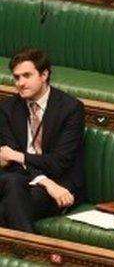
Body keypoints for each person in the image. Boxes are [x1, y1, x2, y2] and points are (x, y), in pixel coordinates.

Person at [0, 48, 85, 232]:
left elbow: (58, 163)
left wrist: (19, 156)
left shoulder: (70, 109)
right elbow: (9, 161)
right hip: (29, 181)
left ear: (44, 74)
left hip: (60, 184)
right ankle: (29, 253)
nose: (20, 83)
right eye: (16, 77)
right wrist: (46, 182)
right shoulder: (8, 109)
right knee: (13, 183)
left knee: (8, 202)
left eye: (26, 75)